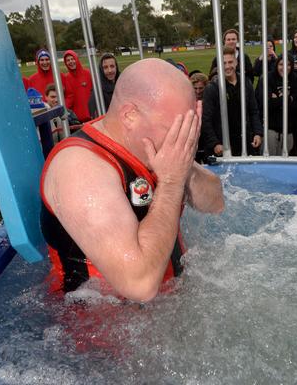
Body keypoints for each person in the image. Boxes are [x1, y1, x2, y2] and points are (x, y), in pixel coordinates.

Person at [40, 59, 224, 300]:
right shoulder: (79, 167)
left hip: (171, 303)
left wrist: (185, 166)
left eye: (188, 127)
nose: (183, 138)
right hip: (108, 327)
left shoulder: (152, 147)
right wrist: (170, 183)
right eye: (176, 128)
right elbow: (140, 285)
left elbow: (216, 205)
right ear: (130, 116)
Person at [202, 46, 263, 157]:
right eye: (224, 63)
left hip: (245, 143)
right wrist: (214, 143)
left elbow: (253, 111)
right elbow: (206, 120)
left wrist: (258, 133)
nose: (227, 66)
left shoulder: (246, 82)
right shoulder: (212, 88)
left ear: (236, 62)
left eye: (230, 62)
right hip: (224, 146)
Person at [256, 56, 297, 155]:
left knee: (285, 163)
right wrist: (289, 98)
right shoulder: (268, 78)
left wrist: (278, 99)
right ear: (276, 65)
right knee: (269, 162)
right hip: (271, 130)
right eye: (281, 64)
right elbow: (266, 104)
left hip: (289, 130)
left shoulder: (295, 79)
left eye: (288, 64)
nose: (285, 67)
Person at [63, 50, 93, 122]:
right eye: (68, 60)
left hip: (91, 116)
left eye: (72, 59)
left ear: (76, 59)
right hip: (77, 119)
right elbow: (69, 98)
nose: (71, 62)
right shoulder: (66, 78)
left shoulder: (87, 73)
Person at [89, 52, 120, 117]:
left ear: (116, 67)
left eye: (112, 66)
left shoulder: (123, 84)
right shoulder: (98, 92)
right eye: (105, 67)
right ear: (101, 70)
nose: (110, 70)